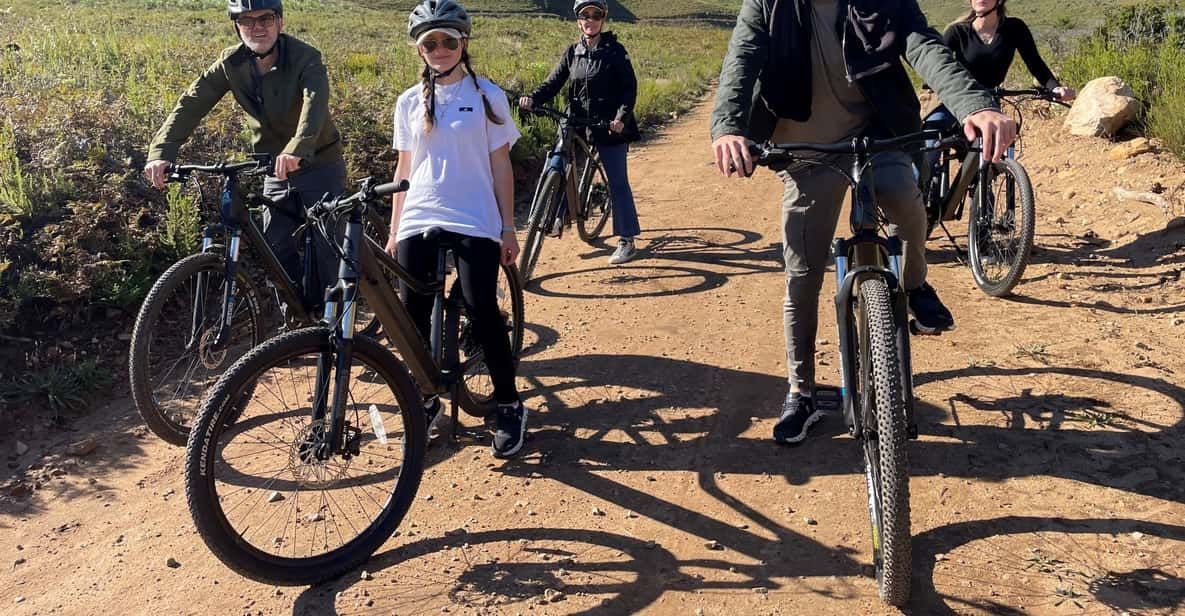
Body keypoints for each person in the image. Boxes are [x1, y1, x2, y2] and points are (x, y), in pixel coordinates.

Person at [710, 0, 1017, 444]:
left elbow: (924, 45)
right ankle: (801, 391)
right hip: (807, 148)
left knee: (908, 207)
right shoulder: (767, 3)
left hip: (880, 133)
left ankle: (912, 284)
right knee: (803, 275)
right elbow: (741, 59)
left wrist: (973, 105)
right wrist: (729, 128)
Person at [387, 0, 527, 458]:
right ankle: (423, 399)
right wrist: (393, 231)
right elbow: (404, 169)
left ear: (463, 43)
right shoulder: (408, 102)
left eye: (448, 40)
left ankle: (508, 404)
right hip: (421, 213)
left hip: (473, 215)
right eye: (431, 42)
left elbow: (500, 164)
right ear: (420, 50)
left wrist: (507, 227)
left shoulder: (487, 95)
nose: (440, 48)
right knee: (410, 312)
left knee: (482, 306)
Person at [145, 0, 345, 311]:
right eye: (246, 21)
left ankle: (340, 319)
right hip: (272, 167)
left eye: (265, 18)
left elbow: (314, 106)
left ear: (280, 22)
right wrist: (161, 152)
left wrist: (297, 147)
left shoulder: (306, 57)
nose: (257, 27)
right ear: (236, 26)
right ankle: (296, 321)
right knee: (275, 245)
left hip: (318, 161)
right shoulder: (230, 63)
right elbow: (191, 103)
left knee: (328, 244)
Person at [518, 0, 642, 265]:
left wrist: (620, 118)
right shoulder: (572, 52)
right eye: (585, 15)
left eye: (596, 15)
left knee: (618, 181)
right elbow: (553, 82)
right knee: (559, 161)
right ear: (578, 20)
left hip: (609, 126)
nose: (590, 20)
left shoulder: (615, 52)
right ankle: (555, 215)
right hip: (577, 121)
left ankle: (627, 240)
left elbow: (628, 89)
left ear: (603, 19)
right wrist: (533, 98)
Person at [922, 0, 1075, 177]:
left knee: (986, 165)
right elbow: (939, 66)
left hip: (988, 101)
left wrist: (1055, 88)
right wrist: (931, 84)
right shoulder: (958, 31)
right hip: (954, 99)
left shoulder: (1014, 28)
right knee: (930, 142)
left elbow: (1035, 63)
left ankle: (984, 201)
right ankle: (919, 194)